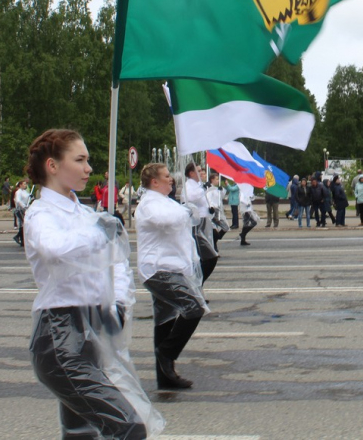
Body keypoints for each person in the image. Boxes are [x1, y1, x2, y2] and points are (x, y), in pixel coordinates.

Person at [23, 129, 161, 437]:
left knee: (81, 434)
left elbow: (117, 263)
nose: (88, 168)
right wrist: (99, 231)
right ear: (53, 166)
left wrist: (121, 302)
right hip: (61, 337)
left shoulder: (85, 214)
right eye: (80, 160)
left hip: (94, 330)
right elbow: (55, 249)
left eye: (88, 160)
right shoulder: (40, 214)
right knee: (130, 427)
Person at [135, 161, 209, 392]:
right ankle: (166, 354)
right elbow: (164, 220)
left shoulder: (164, 202)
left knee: (165, 321)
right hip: (158, 270)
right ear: (154, 182)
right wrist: (184, 211)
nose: (171, 179)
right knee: (194, 308)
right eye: (166, 176)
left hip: (171, 267)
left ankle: (165, 377)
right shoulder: (149, 203)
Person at [183, 163, 218, 284]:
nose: (201, 172)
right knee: (207, 256)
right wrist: (202, 189)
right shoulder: (188, 185)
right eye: (198, 171)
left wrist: (210, 208)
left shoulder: (198, 185)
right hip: (196, 224)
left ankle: (198, 285)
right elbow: (190, 198)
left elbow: (204, 201)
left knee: (205, 256)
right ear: (191, 173)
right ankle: (196, 284)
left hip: (204, 219)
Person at [12, 180, 31, 248]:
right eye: (24, 184)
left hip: (24, 209)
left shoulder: (25, 192)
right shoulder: (18, 192)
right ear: (20, 185)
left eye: (26, 184)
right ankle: (19, 237)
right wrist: (24, 206)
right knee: (24, 223)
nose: (25, 185)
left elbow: (28, 198)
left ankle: (21, 239)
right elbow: (18, 200)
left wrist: (31, 197)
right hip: (20, 210)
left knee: (23, 224)